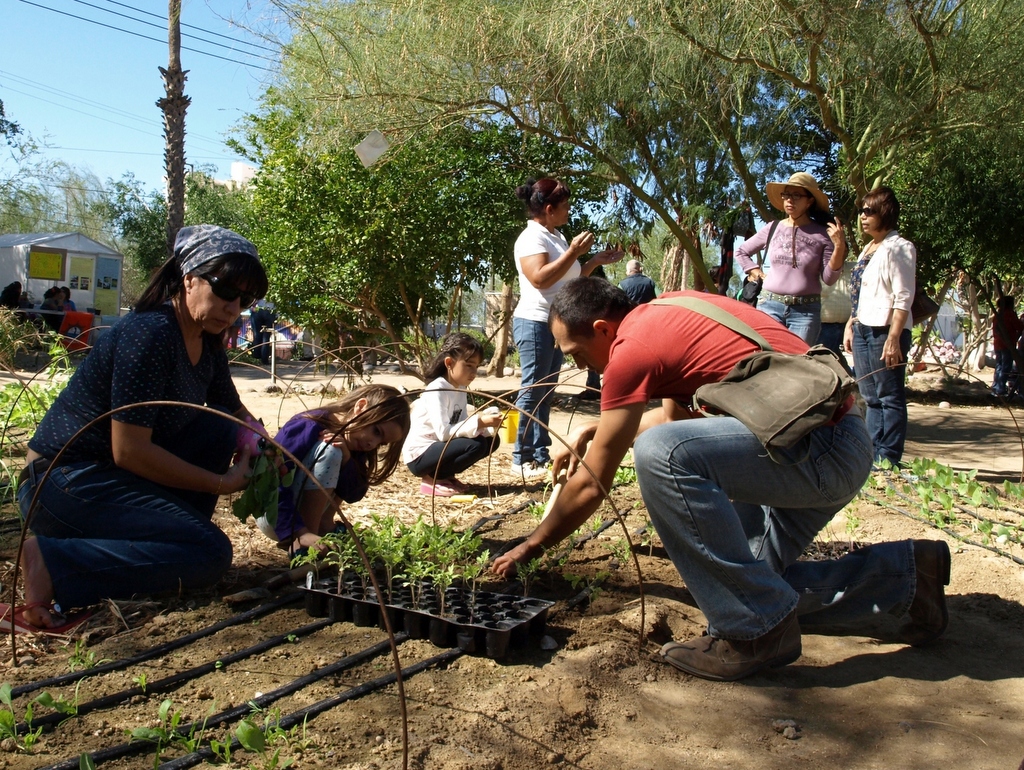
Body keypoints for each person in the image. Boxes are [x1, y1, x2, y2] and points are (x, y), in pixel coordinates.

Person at [493, 277, 950, 681]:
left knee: (661, 456)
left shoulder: (628, 352)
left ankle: (755, 636)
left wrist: (531, 544)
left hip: (818, 451)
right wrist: (601, 429)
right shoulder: (670, 311)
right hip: (823, 438)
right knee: (752, 581)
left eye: (576, 355)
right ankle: (908, 574)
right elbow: (676, 419)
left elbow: (596, 482)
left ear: (602, 330)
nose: (581, 369)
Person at [15, 225, 270, 632]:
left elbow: (232, 412)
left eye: (245, 299)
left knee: (221, 429)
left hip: (113, 479)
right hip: (63, 482)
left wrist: (271, 446)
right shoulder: (151, 334)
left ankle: (169, 538)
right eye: (225, 291)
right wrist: (220, 483)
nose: (234, 307)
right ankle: (53, 560)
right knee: (209, 553)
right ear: (190, 278)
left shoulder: (207, 339)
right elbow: (129, 451)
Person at [510, 177, 623, 478]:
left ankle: (539, 453)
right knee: (533, 388)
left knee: (546, 390)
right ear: (549, 209)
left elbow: (567, 280)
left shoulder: (556, 236)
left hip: (554, 323)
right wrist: (573, 252)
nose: (569, 211)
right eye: (566, 206)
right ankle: (520, 456)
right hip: (534, 320)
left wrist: (594, 261)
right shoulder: (531, 238)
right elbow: (540, 279)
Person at [258, 384, 410, 553]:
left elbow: (353, 494)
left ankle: (324, 526)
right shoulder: (307, 426)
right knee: (330, 450)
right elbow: (272, 484)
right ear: (360, 407)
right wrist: (299, 532)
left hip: (295, 515)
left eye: (381, 443)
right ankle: (306, 542)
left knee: (344, 459)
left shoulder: (355, 441)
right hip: (275, 514)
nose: (372, 444)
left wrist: (347, 460)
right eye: (376, 431)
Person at [843, 187, 916, 466]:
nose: (863, 216)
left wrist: (894, 337)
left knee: (890, 396)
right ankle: (872, 457)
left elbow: (903, 295)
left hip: (885, 330)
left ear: (885, 213)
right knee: (870, 397)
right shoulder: (868, 249)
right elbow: (862, 293)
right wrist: (851, 323)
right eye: (862, 211)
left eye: (869, 211)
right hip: (864, 327)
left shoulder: (900, 247)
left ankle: (889, 457)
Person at [736, 173, 848, 344]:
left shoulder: (823, 234)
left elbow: (829, 278)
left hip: (805, 312)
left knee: (797, 364)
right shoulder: (773, 228)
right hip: (769, 305)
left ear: (810, 201)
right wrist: (755, 271)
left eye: (796, 195)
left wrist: (839, 248)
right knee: (769, 361)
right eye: (786, 195)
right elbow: (741, 252)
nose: (789, 200)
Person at [403, 333, 503, 496]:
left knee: (491, 441)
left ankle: (445, 475)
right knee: (476, 444)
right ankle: (432, 478)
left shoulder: (460, 387)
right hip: (421, 454)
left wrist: (486, 427)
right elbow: (443, 433)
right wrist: (479, 423)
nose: (474, 372)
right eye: (469, 365)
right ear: (449, 363)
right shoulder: (438, 389)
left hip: (439, 448)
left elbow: (461, 422)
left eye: (476, 367)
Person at [991, 296, 1023, 397]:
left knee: (999, 366)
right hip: (1006, 344)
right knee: (1006, 366)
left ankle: (996, 387)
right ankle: (1000, 389)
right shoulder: (1009, 314)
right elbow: (1019, 326)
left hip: (998, 344)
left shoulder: (997, 315)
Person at [250, 299, 276, 365]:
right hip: (270, 310)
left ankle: (257, 358)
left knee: (257, 336)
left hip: (258, 309)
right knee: (266, 338)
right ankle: (264, 360)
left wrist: (252, 307)